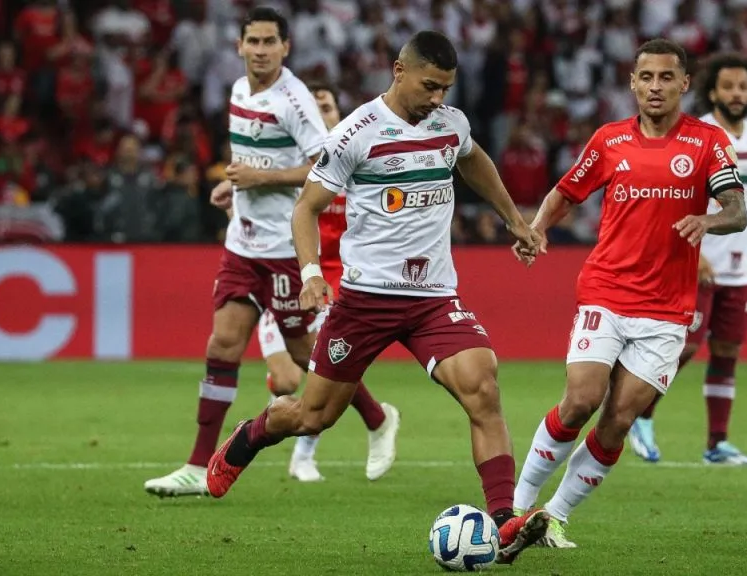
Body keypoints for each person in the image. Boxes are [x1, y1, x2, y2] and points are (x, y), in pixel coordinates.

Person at [204, 31, 550, 565]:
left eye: (446, 88)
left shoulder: (450, 124)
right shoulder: (356, 133)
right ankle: (251, 434)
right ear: (398, 71)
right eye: (430, 86)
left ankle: (503, 521)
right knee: (313, 416)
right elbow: (306, 208)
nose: (438, 98)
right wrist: (312, 271)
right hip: (366, 300)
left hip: (434, 296)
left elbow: (474, 159)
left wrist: (514, 219)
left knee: (482, 384)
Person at [143, 7, 397, 497]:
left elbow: (326, 165)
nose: (259, 50)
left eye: (269, 42)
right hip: (242, 242)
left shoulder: (295, 100)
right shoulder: (239, 91)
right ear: (239, 46)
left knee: (305, 354)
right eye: (252, 42)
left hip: (284, 248)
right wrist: (236, 190)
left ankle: (377, 416)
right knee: (222, 345)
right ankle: (198, 465)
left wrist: (261, 180)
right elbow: (254, 157)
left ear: (285, 48)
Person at [510, 38, 747, 547]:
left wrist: (708, 218)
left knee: (619, 420)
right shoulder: (609, 140)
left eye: (666, 77)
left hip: (667, 309)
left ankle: (553, 516)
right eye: (646, 77)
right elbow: (565, 191)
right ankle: (515, 504)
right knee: (581, 400)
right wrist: (537, 228)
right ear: (632, 83)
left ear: (685, 84)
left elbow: (737, 210)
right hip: (607, 291)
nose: (655, 87)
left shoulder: (708, 142)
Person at [628, 52, 747, 466]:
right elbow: (673, 198)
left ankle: (717, 443)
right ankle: (639, 417)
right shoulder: (695, 135)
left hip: (740, 267)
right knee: (682, 349)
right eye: (728, 86)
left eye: (743, 87)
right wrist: (692, 254)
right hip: (694, 266)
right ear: (712, 89)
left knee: (727, 350)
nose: (736, 94)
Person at [254, 83, 400, 483]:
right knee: (285, 378)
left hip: (338, 276)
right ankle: (377, 417)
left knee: (326, 363)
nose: (321, 113)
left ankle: (304, 455)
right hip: (290, 270)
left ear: (341, 115)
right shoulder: (291, 157)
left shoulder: (359, 153)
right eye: (313, 108)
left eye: (328, 106)